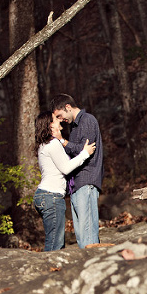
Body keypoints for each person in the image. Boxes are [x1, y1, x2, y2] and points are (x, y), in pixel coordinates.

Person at [33, 110, 96, 251]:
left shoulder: (43, 145)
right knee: (55, 244)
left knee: (53, 240)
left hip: (44, 196)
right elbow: (66, 168)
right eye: (56, 119)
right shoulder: (52, 144)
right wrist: (85, 153)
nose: (60, 120)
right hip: (51, 196)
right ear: (50, 125)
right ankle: (49, 266)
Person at [50, 94, 104, 248]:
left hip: (87, 180)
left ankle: (94, 260)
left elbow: (85, 150)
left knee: (88, 232)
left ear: (68, 107)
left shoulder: (87, 120)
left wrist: (62, 140)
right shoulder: (74, 126)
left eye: (59, 115)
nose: (60, 120)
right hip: (76, 184)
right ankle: (87, 259)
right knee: (81, 233)